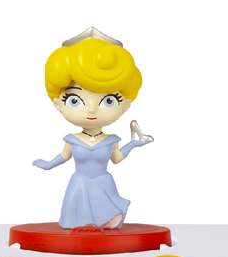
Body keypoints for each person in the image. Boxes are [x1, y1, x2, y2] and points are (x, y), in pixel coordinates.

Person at [33, 28, 153, 229]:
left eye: (108, 100)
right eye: (75, 100)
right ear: (58, 104)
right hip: (79, 182)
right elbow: (64, 156)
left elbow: (116, 159)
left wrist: (133, 144)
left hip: (103, 183)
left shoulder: (111, 140)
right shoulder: (71, 139)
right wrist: (47, 164)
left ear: (125, 105)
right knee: (76, 221)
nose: (91, 109)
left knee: (106, 218)